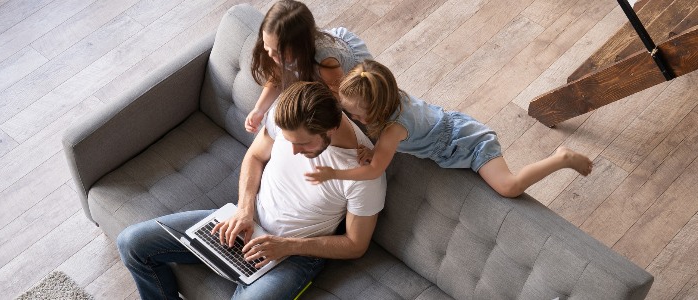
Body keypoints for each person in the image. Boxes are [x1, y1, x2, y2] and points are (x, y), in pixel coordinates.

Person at [117, 81, 387, 300]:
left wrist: (287, 246)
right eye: (290, 141)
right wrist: (244, 210)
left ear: (332, 128)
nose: (293, 151)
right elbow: (256, 157)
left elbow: (355, 245)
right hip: (246, 224)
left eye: (303, 144)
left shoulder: (364, 174)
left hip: (294, 255)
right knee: (132, 243)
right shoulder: (286, 111)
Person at [305, 60, 593, 198]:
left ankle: (562, 158)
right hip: (453, 128)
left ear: (379, 108)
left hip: (468, 143)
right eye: (349, 113)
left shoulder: (393, 129)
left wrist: (334, 173)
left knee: (509, 187)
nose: (355, 119)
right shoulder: (388, 93)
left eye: (358, 114)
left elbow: (374, 170)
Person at [244, 0, 372, 133]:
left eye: (277, 52)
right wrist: (259, 109)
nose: (270, 54)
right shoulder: (275, 51)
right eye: (266, 46)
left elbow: (337, 98)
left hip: (344, 75)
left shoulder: (326, 62)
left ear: (299, 48)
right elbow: (276, 78)